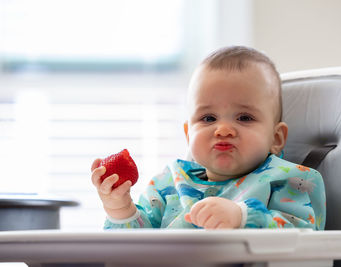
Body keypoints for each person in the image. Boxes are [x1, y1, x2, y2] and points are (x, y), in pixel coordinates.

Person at [91, 46, 326, 230]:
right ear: (188, 134)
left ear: (276, 138)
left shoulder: (289, 180)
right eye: (208, 118)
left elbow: (305, 233)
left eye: (244, 117)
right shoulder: (168, 184)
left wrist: (243, 217)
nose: (223, 129)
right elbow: (132, 249)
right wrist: (120, 208)